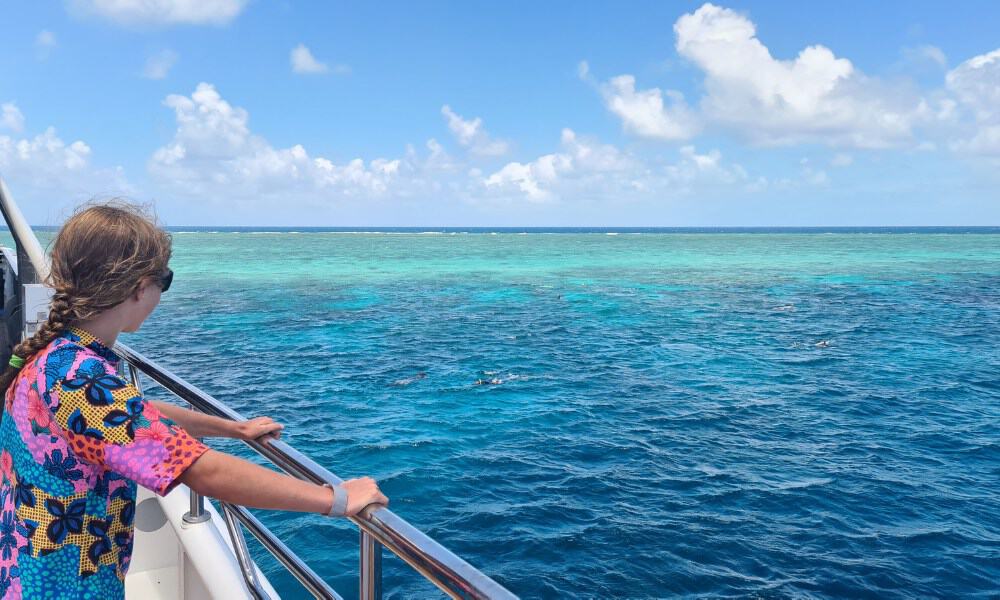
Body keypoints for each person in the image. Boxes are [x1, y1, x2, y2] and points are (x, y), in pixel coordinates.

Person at [0, 201, 388, 599]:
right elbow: (201, 472)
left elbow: (132, 415)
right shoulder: (79, 379)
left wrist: (232, 429)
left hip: (26, 568)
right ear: (139, 287)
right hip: (64, 586)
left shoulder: (58, 357)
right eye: (163, 281)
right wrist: (336, 498)